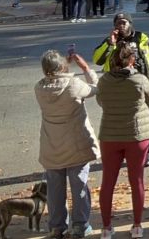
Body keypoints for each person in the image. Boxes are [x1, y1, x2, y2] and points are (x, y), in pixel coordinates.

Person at [34, 49, 99, 239]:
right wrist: (85, 67)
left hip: (51, 145)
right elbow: (94, 88)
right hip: (76, 143)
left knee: (55, 190)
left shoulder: (39, 88)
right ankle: (79, 225)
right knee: (79, 186)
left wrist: (62, 68)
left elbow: (55, 79)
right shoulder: (74, 84)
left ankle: (57, 226)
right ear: (62, 67)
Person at [96, 43, 149, 239]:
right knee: (136, 180)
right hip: (136, 134)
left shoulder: (104, 80)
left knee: (108, 182)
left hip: (110, 134)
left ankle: (106, 228)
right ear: (131, 60)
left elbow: (101, 101)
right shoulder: (139, 79)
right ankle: (137, 225)